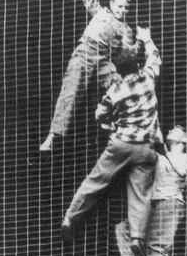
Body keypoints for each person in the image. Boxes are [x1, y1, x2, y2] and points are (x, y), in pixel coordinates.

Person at [60, 27, 160, 244]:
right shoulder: (149, 78)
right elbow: (154, 57)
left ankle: (70, 218)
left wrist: (110, 125)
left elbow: (99, 114)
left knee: (95, 181)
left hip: (121, 144)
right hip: (145, 148)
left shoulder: (116, 90)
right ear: (136, 64)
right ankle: (136, 237)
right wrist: (146, 38)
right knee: (140, 194)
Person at [40, 0, 133, 151]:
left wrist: (136, 45)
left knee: (119, 86)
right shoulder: (100, 13)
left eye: (126, 8)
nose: (122, 11)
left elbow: (126, 57)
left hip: (104, 60)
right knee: (71, 91)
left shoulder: (126, 29)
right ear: (112, 4)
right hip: (85, 52)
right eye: (119, 6)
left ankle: (113, 123)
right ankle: (53, 135)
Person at [115, 125, 187, 256]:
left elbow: (181, 171)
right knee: (125, 229)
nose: (172, 130)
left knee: (156, 245)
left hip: (170, 203)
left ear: (184, 140)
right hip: (154, 204)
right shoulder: (160, 156)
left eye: (177, 129)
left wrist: (163, 150)